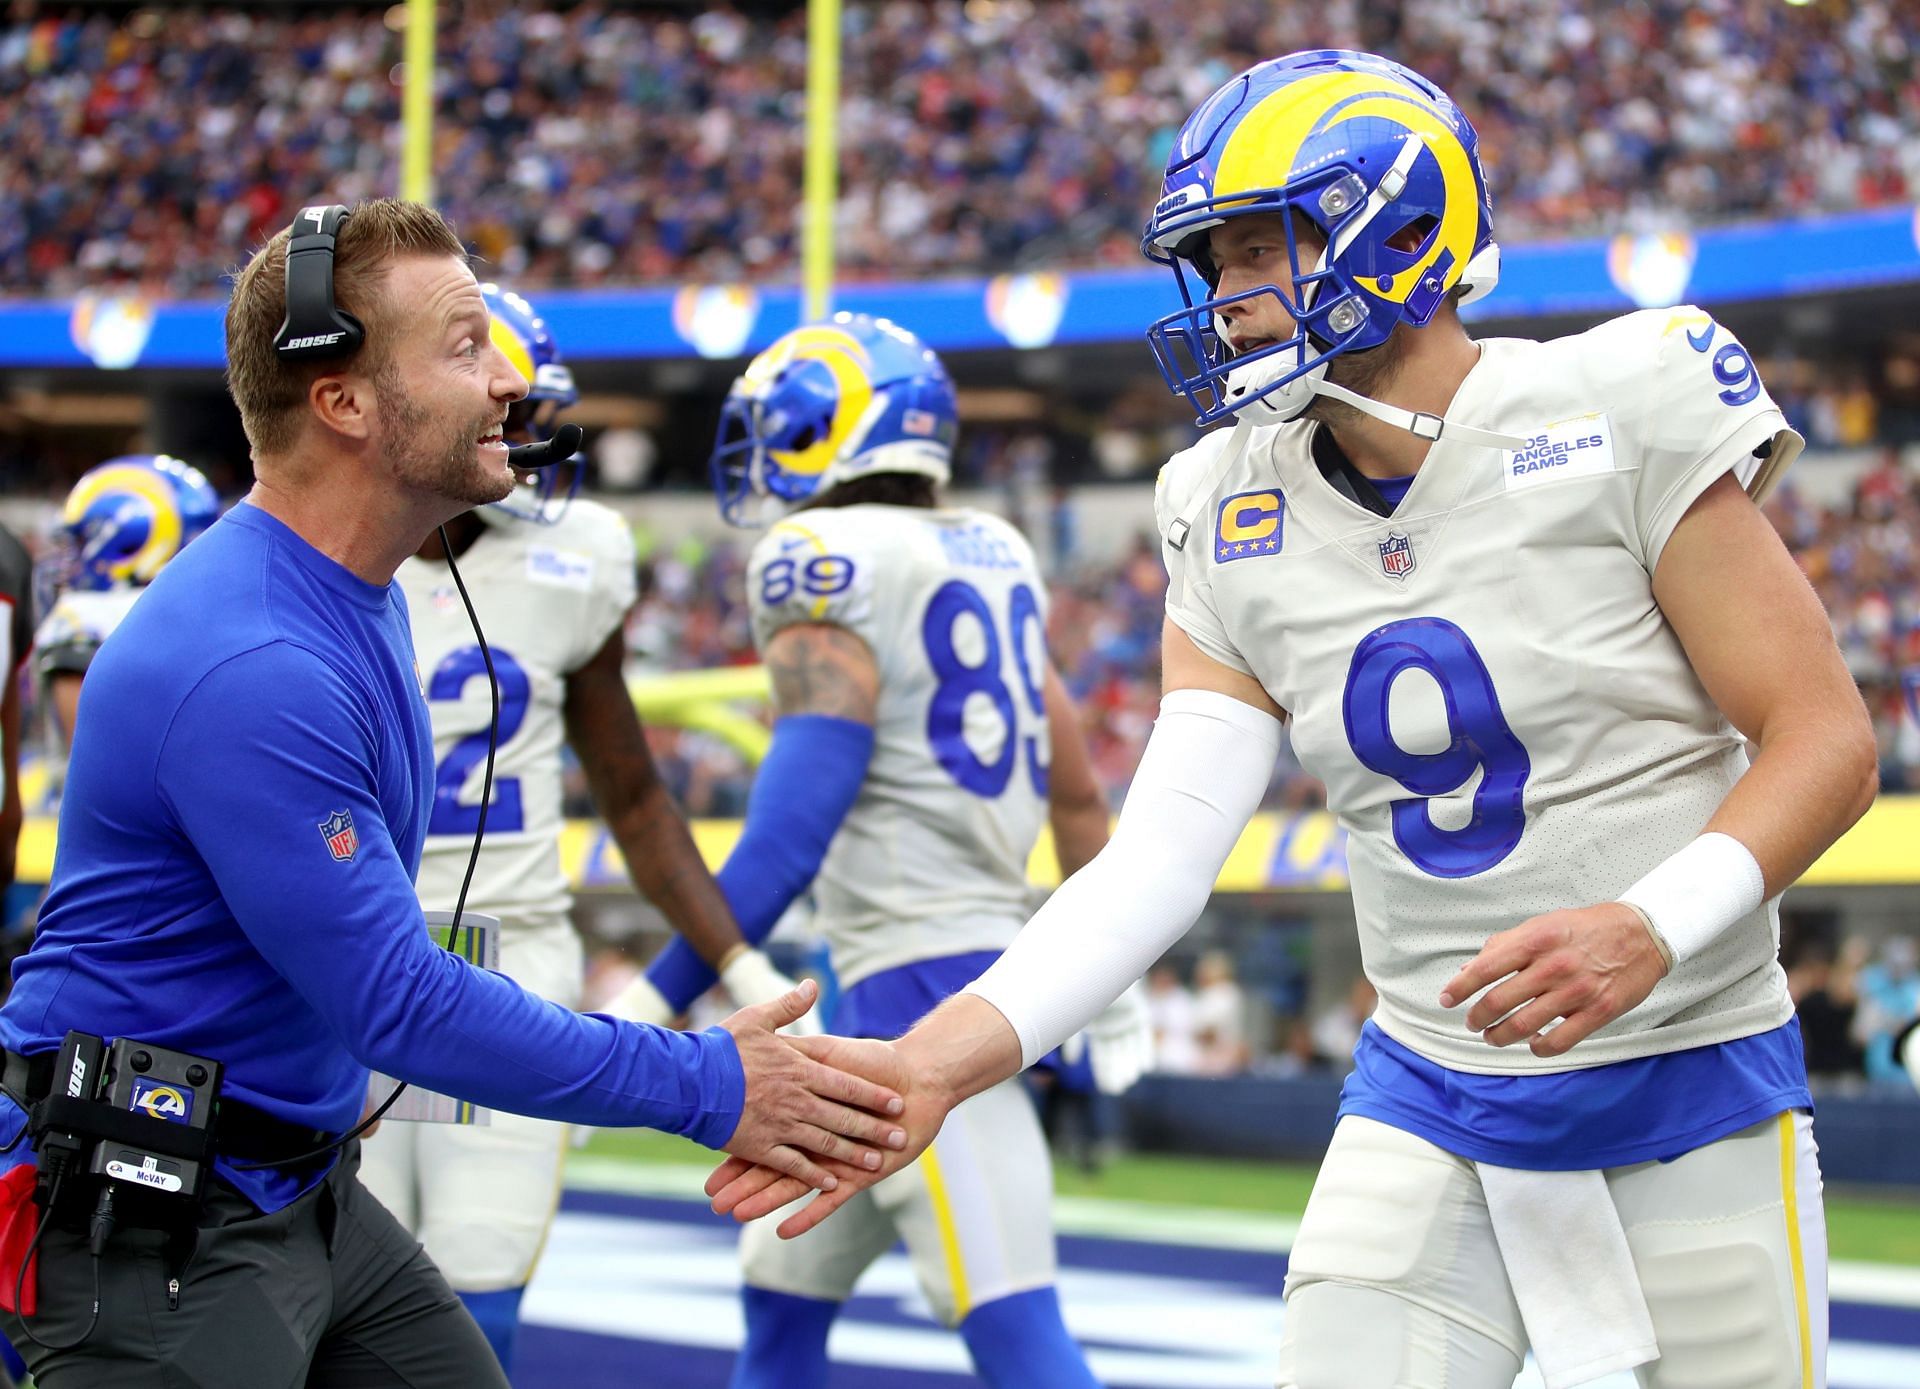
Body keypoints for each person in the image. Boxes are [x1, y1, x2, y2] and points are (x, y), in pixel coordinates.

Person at [707, 52, 1881, 1389]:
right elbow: (1157, 857)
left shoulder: (1619, 401)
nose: (1226, 297)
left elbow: (1825, 738)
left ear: (1396, 224)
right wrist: (931, 1066)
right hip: (1430, 1095)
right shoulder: (1226, 499)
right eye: (1213, 260)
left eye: (1260, 247)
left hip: (1694, 1080)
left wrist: (1650, 924)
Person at [0, 198, 906, 1389]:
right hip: (152, 1216)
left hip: (290, 1180)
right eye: (466, 346)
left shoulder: (348, 587)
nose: (507, 385)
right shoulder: (254, 662)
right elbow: (398, 1004)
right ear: (345, 401)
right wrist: (707, 1082)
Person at [621, 313, 1151, 1389]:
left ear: (828, 431)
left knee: (1021, 1342)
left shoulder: (821, 557)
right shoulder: (993, 551)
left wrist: (646, 1000)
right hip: (894, 1024)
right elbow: (1081, 793)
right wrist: (1114, 976)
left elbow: (788, 833)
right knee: (777, 1310)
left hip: (926, 1022)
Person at [359, 282, 802, 1375]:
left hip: (501, 954)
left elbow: (635, 796)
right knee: (323, 1283)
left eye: (529, 416)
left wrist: (740, 969)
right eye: (504, 415)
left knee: (475, 1293)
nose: (523, 442)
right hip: (350, 955)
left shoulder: (575, 558)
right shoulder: (325, 556)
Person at [33, 456, 220, 746]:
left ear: (131, 544)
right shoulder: (211, 611)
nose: (70, 557)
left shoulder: (85, 617)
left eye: (82, 540)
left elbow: (85, 759)